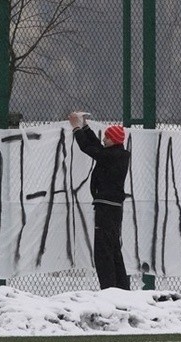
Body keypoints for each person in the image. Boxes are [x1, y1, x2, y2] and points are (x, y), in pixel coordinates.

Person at [70, 112, 130, 290]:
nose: (103, 140)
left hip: (106, 209)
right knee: (113, 250)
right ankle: (122, 288)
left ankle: (109, 288)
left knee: (103, 251)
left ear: (114, 140)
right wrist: (85, 126)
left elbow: (89, 149)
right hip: (112, 209)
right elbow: (97, 147)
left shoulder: (113, 156)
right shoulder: (116, 154)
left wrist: (76, 128)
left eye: (106, 137)